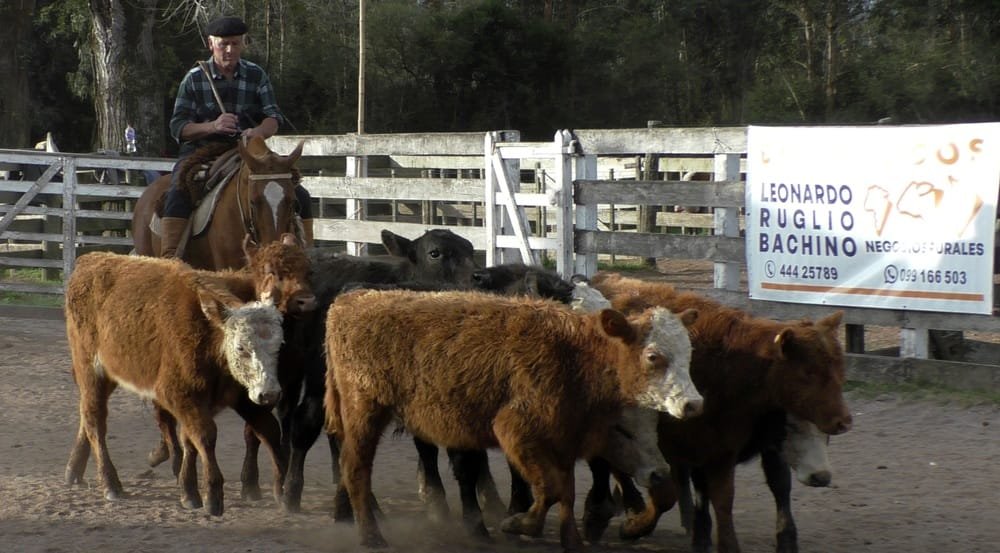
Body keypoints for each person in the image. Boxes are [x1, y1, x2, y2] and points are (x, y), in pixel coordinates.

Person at [161, 15, 313, 258]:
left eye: (235, 43)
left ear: (243, 43)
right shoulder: (195, 78)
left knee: (298, 192)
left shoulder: (256, 75)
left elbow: (274, 117)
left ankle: (306, 256)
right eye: (224, 44)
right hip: (203, 150)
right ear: (211, 44)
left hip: (249, 149)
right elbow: (178, 126)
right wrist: (213, 126)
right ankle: (170, 258)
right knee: (178, 190)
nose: (230, 50)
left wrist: (258, 131)